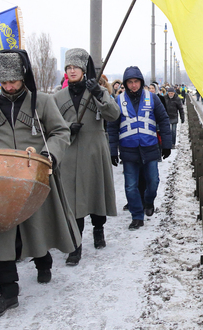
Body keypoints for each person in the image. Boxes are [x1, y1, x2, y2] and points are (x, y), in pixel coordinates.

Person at [0, 49, 80, 317]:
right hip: (0, 183)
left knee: (36, 228)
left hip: (35, 178)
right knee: (0, 235)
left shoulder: (42, 102)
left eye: (13, 81)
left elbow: (60, 131)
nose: (9, 87)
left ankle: (43, 260)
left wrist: (49, 155)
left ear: (22, 77)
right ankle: (8, 292)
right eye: (4, 82)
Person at [53, 48, 120, 266]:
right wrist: (66, 128)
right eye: (68, 68)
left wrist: (101, 93)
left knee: (96, 194)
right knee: (73, 201)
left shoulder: (98, 92)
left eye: (76, 67)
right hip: (70, 154)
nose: (72, 71)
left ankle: (98, 228)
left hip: (94, 151)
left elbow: (113, 115)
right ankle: (75, 245)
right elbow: (50, 126)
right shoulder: (57, 97)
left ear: (84, 70)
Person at [108, 66, 172, 230]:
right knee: (130, 186)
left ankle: (148, 201)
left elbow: (164, 120)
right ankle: (137, 216)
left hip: (150, 148)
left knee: (153, 181)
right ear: (126, 83)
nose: (134, 85)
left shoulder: (152, 98)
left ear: (141, 82)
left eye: (136, 81)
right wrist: (112, 151)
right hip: (128, 150)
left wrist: (166, 144)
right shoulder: (118, 101)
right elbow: (112, 127)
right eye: (130, 82)